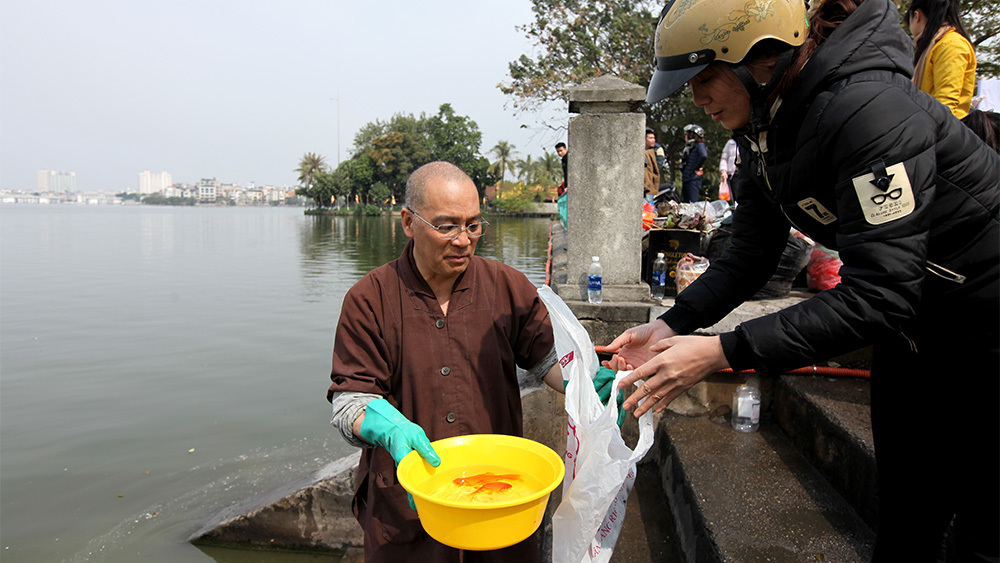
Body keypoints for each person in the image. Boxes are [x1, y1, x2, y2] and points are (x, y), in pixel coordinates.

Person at [609, 0, 999, 561]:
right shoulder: (766, 127)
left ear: (759, 59)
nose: (696, 98)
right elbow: (748, 253)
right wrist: (671, 323)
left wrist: (722, 351)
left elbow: (879, 292)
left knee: (983, 534)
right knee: (906, 520)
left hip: (986, 324)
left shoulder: (870, 110)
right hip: (915, 330)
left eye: (704, 77)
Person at [327, 161, 566, 561]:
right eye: (446, 226)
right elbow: (349, 399)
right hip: (408, 506)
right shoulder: (369, 299)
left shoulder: (507, 286)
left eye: (473, 225)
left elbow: (547, 361)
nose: (463, 240)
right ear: (408, 222)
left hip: (498, 500)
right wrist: (387, 426)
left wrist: (586, 384)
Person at [906, 0, 977, 119]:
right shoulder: (937, 45)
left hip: (942, 131)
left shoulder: (951, 45)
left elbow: (945, 105)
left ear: (916, 16)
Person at [679, 124, 707, 202]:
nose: (685, 137)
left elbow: (703, 155)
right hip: (687, 178)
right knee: (687, 202)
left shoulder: (699, 145)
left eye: (687, 134)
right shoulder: (690, 147)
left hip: (693, 178)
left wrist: (696, 168)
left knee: (692, 203)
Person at [644, 128, 663, 203]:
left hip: (650, 183)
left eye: (654, 138)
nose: (653, 140)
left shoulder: (656, 150)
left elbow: (658, 167)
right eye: (650, 138)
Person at [718, 138, 738, 202]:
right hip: (733, 174)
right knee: (735, 197)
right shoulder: (730, 143)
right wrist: (723, 171)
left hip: (745, 173)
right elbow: (724, 159)